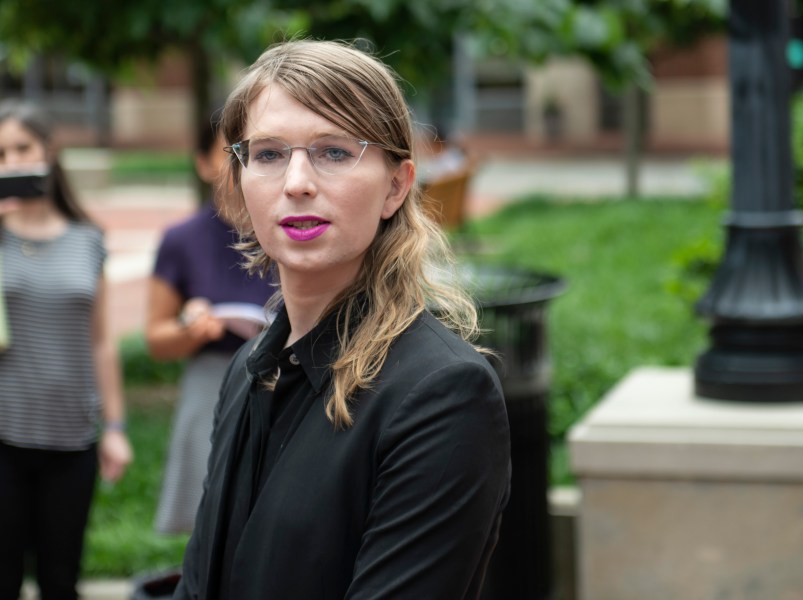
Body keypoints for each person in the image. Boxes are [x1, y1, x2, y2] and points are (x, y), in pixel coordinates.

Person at [173, 39, 511, 599]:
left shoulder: (443, 393)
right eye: (269, 154)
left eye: (333, 152)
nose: (297, 181)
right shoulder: (248, 370)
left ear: (396, 186)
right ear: (237, 182)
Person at [0, 100, 133, 600]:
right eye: (1, 153)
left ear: (49, 153)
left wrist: (115, 428)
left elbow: (101, 341)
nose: (11, 161)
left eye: (22, 148)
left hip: (70, 436)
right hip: (3, 434)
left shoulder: (86, 240)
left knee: (61, 580)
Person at [145, 109, 274, 535]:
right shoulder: (182, 240)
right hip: (212, 382)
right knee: (211, 517)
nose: (240, 160)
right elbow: (156, 339)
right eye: (228, 150)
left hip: (284, 381)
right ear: (203, 163)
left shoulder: (284, 226)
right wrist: (190, 328)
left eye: (253, 148)